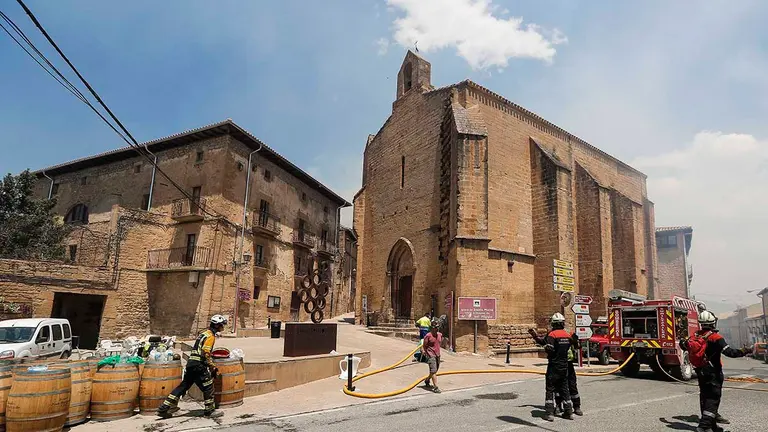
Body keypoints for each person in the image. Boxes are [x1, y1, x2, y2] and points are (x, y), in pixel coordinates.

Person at [680, 310, 751, 432]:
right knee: (713, 399)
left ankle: (712, 427)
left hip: (700, 371)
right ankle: (703, 427)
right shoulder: (716, 338)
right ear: (713, 323)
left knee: (704, 397)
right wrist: (745, 351)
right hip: (713, 372)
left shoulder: (695, 336)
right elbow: (730, 353)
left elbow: (683, 346)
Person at [157, 315, 228, 418]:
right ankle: (209, 411)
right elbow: (206, 352)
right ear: (217, 326)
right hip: (199, 365)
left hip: (191, 364)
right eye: (222, 325)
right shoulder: (210, 336)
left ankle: (163, 408)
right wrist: (212, 366)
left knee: (183, 386)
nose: (223, 327)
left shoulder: (203, 334)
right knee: (208, 387)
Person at [528, 313, 573, 421]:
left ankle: (549, 413)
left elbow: (545, 344)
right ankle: (568, 412)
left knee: (550, 389)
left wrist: (534, 335)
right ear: (562, 323)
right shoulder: (567, 335)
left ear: (553, 323)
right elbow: (573, 346)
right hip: (565, 366)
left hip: (554, 366)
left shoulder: (552, 335)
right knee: (564, 389)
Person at [422, 319, 443, 393]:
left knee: (435, 370)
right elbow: (424, 345)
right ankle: (435, 387)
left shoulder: (440, 335)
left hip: (438, 355)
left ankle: (427, 380)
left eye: (437, 327)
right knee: (433, 371)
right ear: (431, 328)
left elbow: (439, 343)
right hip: (430, 355)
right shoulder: (428, 336)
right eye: (435, 327)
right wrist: (424, 351)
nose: (436, 329)